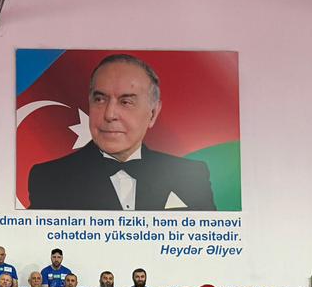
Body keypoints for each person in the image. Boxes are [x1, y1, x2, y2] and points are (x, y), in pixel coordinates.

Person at [26, 53, 216, 210]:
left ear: (153, 113)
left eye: (126, 102)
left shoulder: (191, 175)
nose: (109, 114)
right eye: (100, 100)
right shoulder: (50, 178)